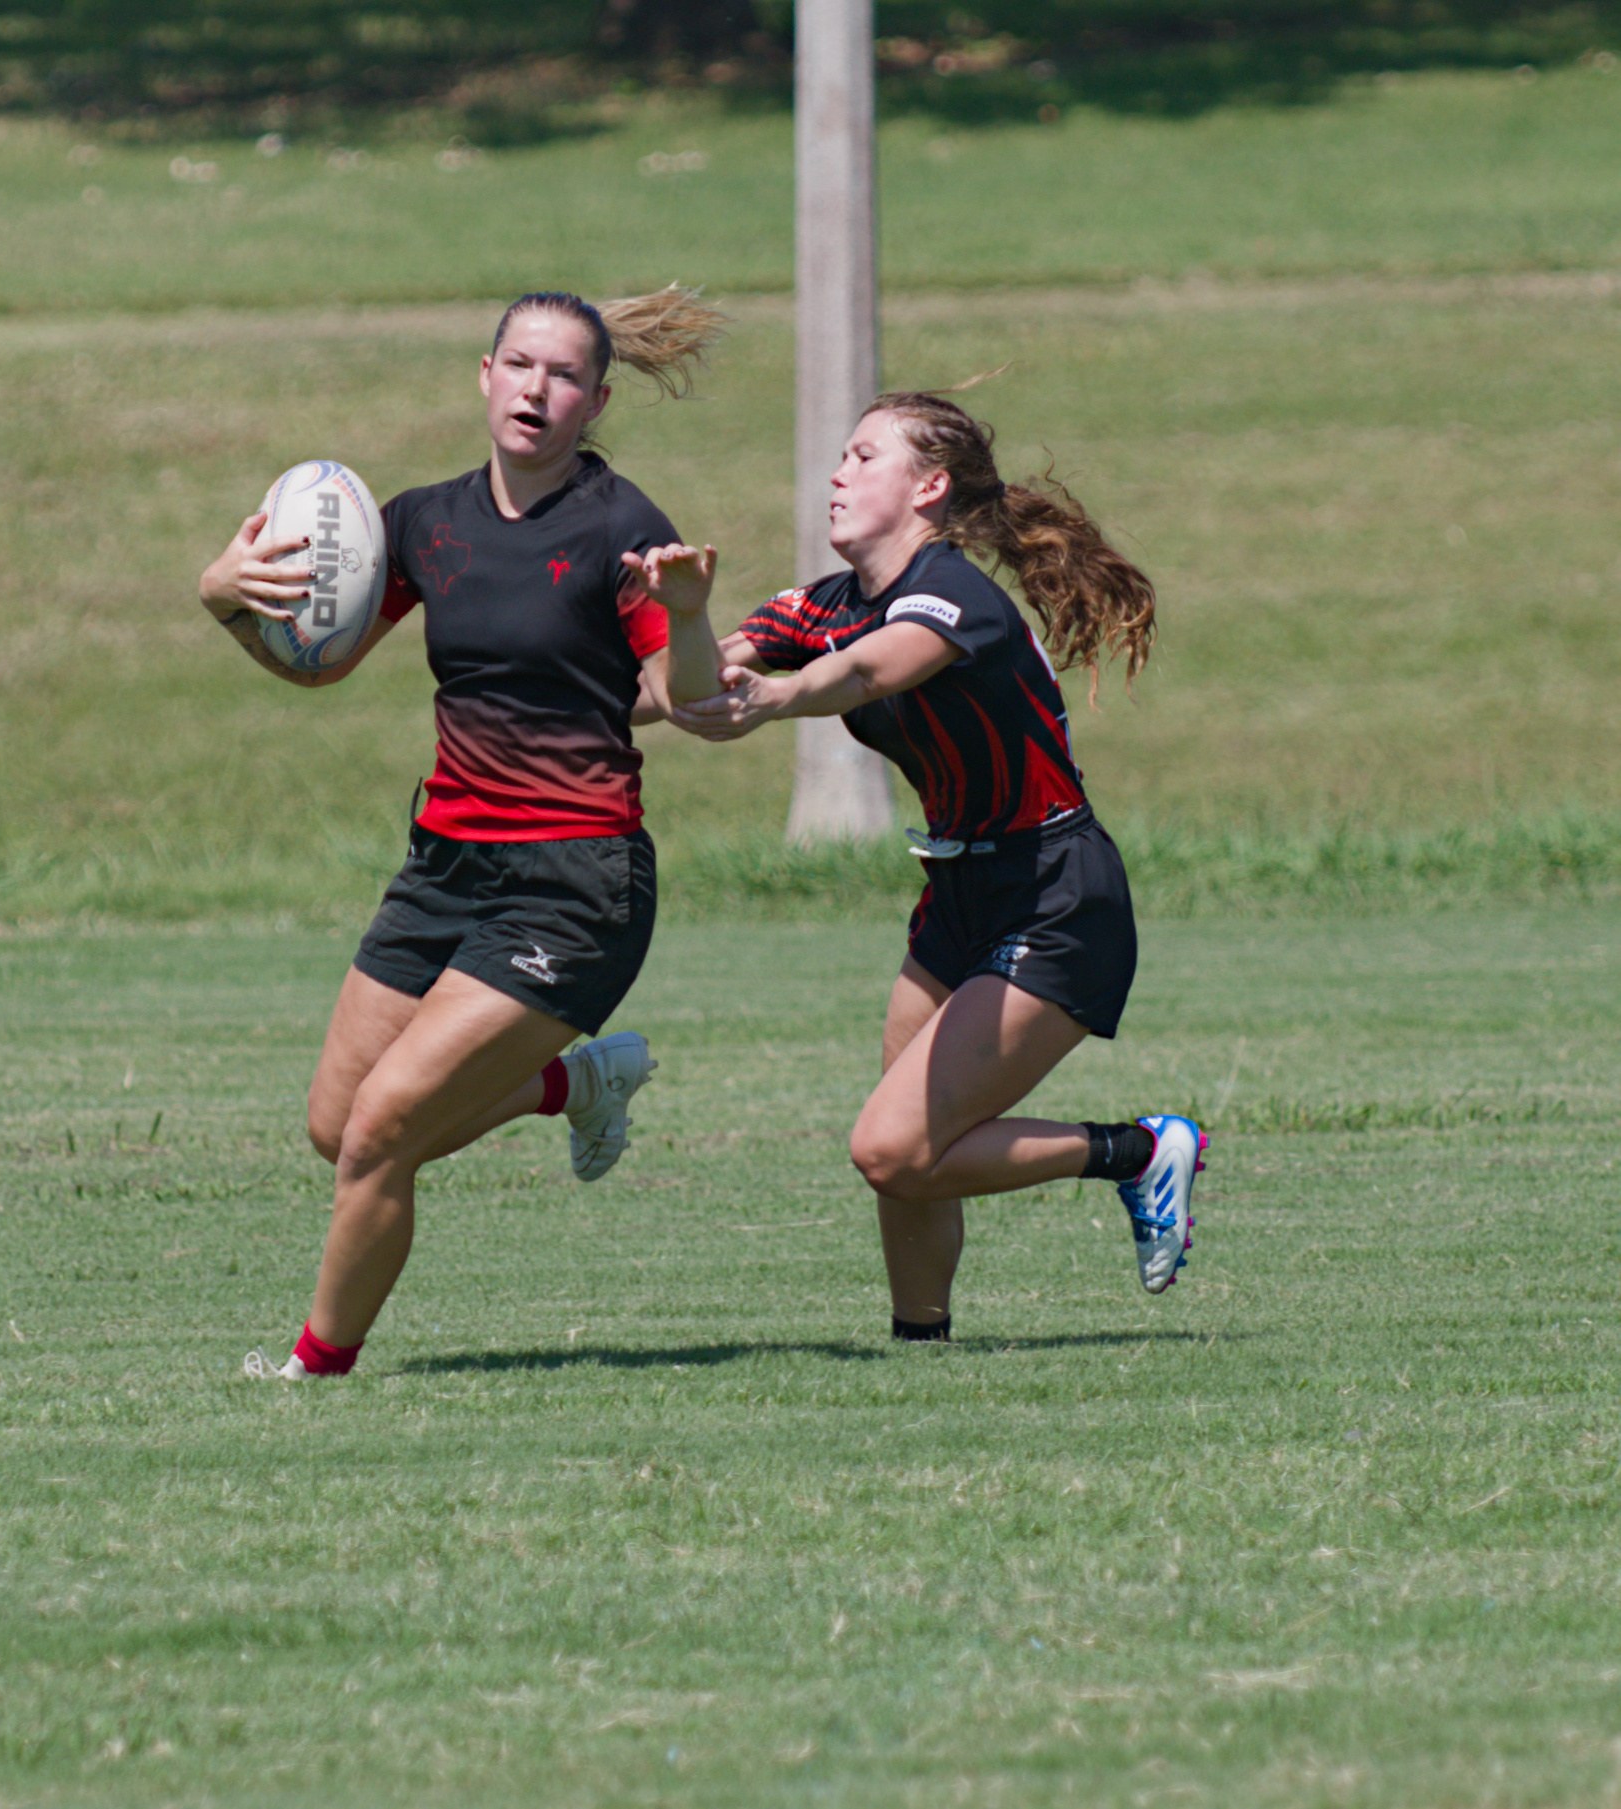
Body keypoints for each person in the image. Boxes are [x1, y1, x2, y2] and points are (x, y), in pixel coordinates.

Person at [197, 287, 727, 1379]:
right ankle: (575, 1085)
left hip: (574, 884)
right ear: (484, 376)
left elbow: (690, 704)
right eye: (519, 365)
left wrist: (685, 616)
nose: (537, 390)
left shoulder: (622, 526)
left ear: (596, 401)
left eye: (564, 376)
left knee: (380, 1133)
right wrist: (225, 600)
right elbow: (320, 664)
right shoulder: (421, 523)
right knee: (337, 1125)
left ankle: (314, 1370)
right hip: (443, 866)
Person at [661, 389, 1208, 1340]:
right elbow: (683, 696)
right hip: (959, 893)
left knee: (889, 1147)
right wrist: (684, 617)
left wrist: (782, 695)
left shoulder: (953, 596)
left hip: (1054, 892)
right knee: (909, 1149)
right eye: (841, 456)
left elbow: (870, 669)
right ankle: (921, 1343)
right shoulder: (827, 604)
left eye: (863, 456)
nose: (838, 473)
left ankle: (1138, 1150)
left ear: (929, 487)